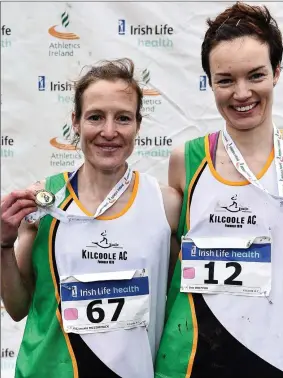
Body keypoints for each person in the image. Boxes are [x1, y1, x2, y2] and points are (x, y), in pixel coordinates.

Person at [155, 3, 283, 378]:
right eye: (225, 80)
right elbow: (168, 268)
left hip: (277, 363)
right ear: (209, 82)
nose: (241, 93)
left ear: (277, 72)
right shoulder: (187, 160)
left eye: (256, 75)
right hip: (189, 363)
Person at [0, 58, 182, 378]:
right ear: (76, 121)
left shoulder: (165, 204)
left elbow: (190, 296)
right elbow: (16, 309)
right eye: (96, 117)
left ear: (138, 124)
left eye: (122, 118)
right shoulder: (45, 201)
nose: (108, 132)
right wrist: (3, 244)